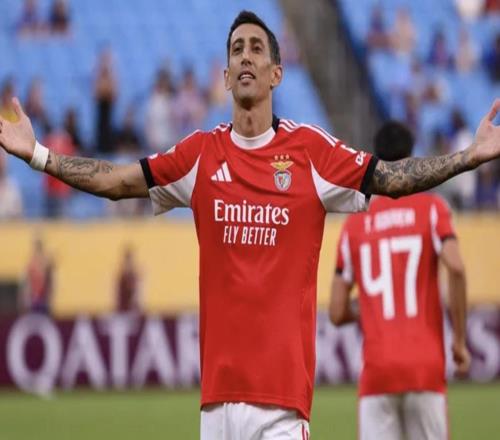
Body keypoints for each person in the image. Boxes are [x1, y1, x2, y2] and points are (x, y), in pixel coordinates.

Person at [0, 10, 499, 439]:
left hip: (281, 407)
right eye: (236, 49)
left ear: (276, 73)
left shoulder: (311, 152)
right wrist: (39, 155)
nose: (245, 56)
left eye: (256, 48)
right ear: (224, 76)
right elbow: (118, 181)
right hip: (216, 409)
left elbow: (390, 178)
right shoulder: (199, 155)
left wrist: (467, 158)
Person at [329, 121, 470, 440]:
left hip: (377, 372)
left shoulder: (355, 226)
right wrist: (460, 341)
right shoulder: (432, 209)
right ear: (412, 157)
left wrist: (368, 306)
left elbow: (336, 312)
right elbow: (457, 268)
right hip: (425, 368)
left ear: (377, 159)